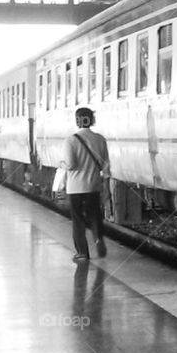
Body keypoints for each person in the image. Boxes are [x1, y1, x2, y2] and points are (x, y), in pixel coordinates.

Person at [61, 106, 110, 264]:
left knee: (78, 220)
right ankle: (98, 239)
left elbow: (71, 164)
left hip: (75, 188)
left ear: (77, 121)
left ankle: (82, 252)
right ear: (92, 120)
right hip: (93, 186)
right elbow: (105, 165)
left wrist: (62, 164)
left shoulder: (71, 140)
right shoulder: (100, 139)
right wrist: (106, 185)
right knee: (94, 216)